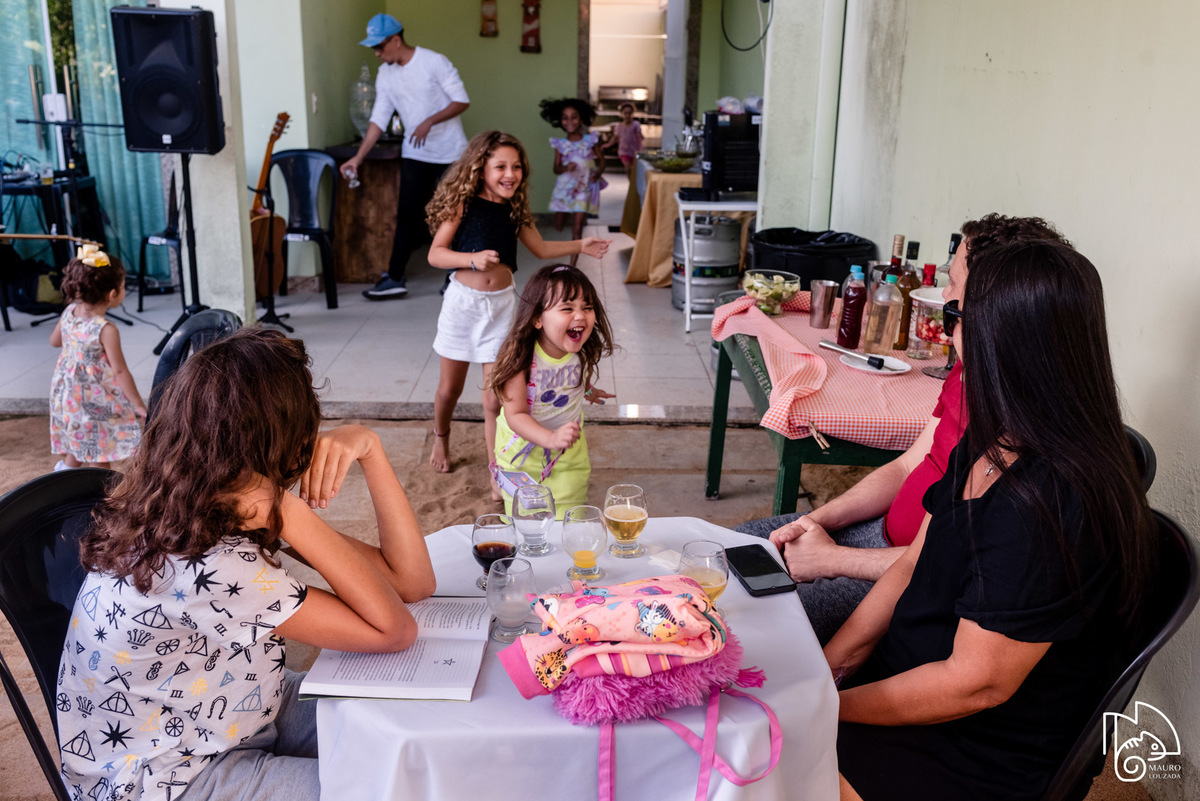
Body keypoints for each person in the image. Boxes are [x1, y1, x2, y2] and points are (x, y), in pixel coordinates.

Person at [828, 238, 1158, 801]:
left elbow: (973, 684)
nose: (947, 332)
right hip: (903, 693)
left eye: (955, 316)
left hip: (966, 753)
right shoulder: (993, 440)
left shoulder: (1051, 502)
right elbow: (912, 565)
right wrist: (828, 671)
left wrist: (829, 708)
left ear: (1006, 340)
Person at [56, 328, 437, 801]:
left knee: (416, 730)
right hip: (170, 776)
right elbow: (394, 630)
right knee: (388, 789)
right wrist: (288, 512)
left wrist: (371, 450)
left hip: (239, 705)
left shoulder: (196, 493)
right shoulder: (207, 559)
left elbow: (412, 582)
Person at [736, 215, 1070, 644]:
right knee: (734, 548)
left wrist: (832, 560)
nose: (945, 295)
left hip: (906, 573)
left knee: (747, 621)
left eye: (954, 284)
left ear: (997, 298)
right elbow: (909, 464)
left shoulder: (1020, 432)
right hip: (879, 536)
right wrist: (815, 521)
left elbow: (945, 561)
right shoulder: (970, 369)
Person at [423, 131, 610, 490]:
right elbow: (436, 254)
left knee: (496, 397)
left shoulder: (514, 211)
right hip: (463, 305)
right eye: (501, 167)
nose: (510, 174)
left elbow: (539, 248)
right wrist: (472, 260)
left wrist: (581, 244)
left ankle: (498, 472)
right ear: (480, 169)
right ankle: (441, 436)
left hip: (502, 307)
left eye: (517, 167)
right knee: (450, 388)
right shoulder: (462, 204)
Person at [343, 14, 470, 300]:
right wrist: (358, 158)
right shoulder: (386, 74)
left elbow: (461, 100)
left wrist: (429, 121)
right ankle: (395, 277)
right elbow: (378, 118)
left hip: (451, 153)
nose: (376, 54)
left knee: (454, 215)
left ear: (396, 40)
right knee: (407, 214)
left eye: (379, 47)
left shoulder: (433, 62)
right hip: (415, 152)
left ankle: (456, 278)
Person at [487, 264, 615, 516]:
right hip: (520, 456)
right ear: (537, 318)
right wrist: (550, 438)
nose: (580, 316)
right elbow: (516, 415)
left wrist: (588, 391)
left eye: (587, 308)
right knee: (526, 524)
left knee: (571, 518)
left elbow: (570, 379)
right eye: (567, 308)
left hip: (569, 456)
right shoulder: (520, 360)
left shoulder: (580, 351)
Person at [49, 245, 145, 470]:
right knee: (100, 452)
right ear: (113, 294)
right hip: (92, 401)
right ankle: (99, 497)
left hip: (68, 397)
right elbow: (120, 371)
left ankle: (63, 475)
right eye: (122, 287)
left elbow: (54, 341)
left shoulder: (69, 312)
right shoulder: (106, 329)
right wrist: (138, 404)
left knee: (79, 442)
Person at [539, 97, 607, 264]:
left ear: (581, 118)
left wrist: (597, 173)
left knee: (577, 229)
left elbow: (602, 160)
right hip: (563, 188)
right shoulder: (560, 144)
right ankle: (562, 223)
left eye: (574, 117)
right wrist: (565, 167)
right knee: (559, 225)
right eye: (565, 117)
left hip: (583, 188)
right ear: (560, 121)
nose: (570, 121)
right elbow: (556, 169)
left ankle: (572, 266)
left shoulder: (590, 140)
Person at [602, 102, 644, 184]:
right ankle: (631, 184)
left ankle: (634, 185)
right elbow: (615, 138)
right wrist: (607, 145)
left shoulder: (635, 125)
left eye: (629, 113)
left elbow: (640, 137)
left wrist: (642, 148)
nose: (627, 115)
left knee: (634, 170)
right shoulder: (619, 126)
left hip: (635, 150)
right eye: (625, 113)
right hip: (624, 151)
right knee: (628, 168)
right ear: (621, 114)